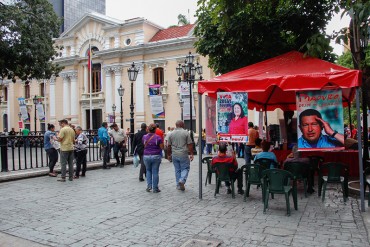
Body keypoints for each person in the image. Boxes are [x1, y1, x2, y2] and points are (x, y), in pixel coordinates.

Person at [167, 120, 193, 191]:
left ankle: (178, 185)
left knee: (177, 170)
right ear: (182, 125)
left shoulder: (171, 134)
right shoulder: (185, 133)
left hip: (174, 154)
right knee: (185, 168)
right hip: (183, 154)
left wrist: (168, 155)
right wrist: (191, 153)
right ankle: (182, 180)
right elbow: (190, 144)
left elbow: (168, 146)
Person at [142, 123, 164, 193]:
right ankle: (155, 188)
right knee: (155, 172)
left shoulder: (144, 137)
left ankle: (149, 186)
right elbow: (161, 147)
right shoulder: (158, 137)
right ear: (155, 130)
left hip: (146, 155)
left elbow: (144, 145)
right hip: (156, 155)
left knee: (148, 171)